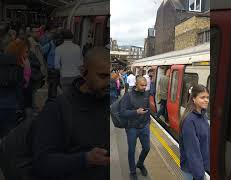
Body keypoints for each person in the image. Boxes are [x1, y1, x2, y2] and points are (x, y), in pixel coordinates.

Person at [32, 47, 109, 180]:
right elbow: (41, 163)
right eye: (102, 76)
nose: (110, 83)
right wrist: (86, 159)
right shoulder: (57, 108)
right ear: (83, 72)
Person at [120, 76, 151, 180]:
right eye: (142, 85)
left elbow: (148, 108)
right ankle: (133, 171)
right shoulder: (128, 95)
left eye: (145, 85)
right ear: (136, 85)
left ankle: (140, 164)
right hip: (132, 127)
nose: (144, 87)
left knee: (147, 148)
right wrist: (136, 112)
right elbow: (122, 112)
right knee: (132, 150)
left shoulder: (146, 94)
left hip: (144, 126)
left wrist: (148, 122)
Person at [179, 84, 210, 180]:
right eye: (202, 97)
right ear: (193, 99)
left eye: (207, 97)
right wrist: (200, 175)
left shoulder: (203, 115)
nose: (206, 100)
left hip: (200, 167)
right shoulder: (189, 121)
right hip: (192, 170)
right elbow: (192, 152)